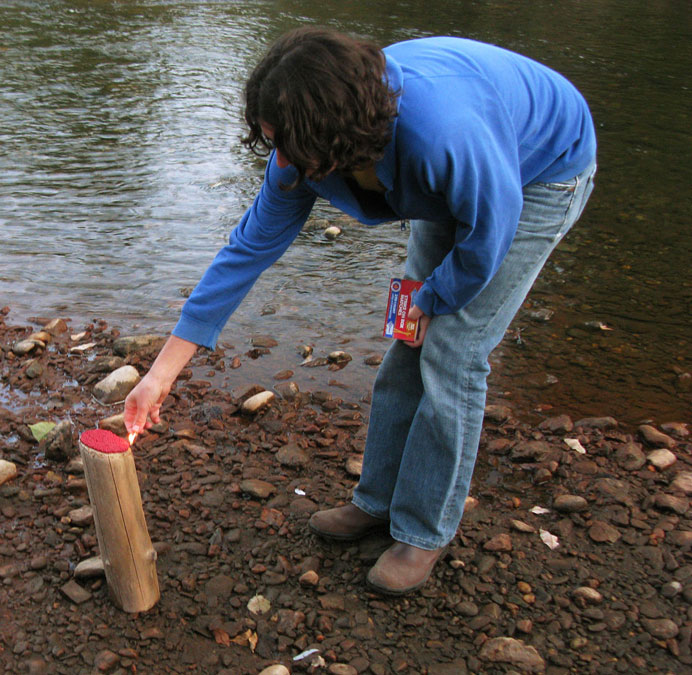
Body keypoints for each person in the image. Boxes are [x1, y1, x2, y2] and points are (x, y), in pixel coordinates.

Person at [124, 27, 596, 594]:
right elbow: (244, 253)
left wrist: (436, 297)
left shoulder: (442, 134)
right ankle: (377, 503)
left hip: (539, 170)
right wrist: (159, 375)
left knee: (454, 350)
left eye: (284, 142)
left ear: (331, 137)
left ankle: (424, 533)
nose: (276, 157)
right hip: (456, 170)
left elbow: (488, 233)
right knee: (410, 339)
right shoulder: (300, 154)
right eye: (270, 139)